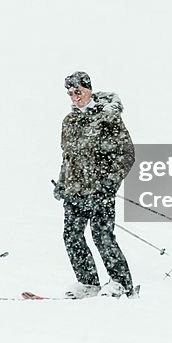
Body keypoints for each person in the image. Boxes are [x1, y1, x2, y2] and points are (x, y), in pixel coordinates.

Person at [54, 71, 137, 298]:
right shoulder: (69, 121)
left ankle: (121, 284)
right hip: (75, 191)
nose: (74, 97)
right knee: (71, 236)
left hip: (100, 190)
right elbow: (67, 157)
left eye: (78, 91)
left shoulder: (107, 118)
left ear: (89, 89)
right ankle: (88, 283)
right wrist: (62, 183)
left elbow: (127, 154)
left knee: (102, 236)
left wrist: (110, 184)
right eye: (70, 93)